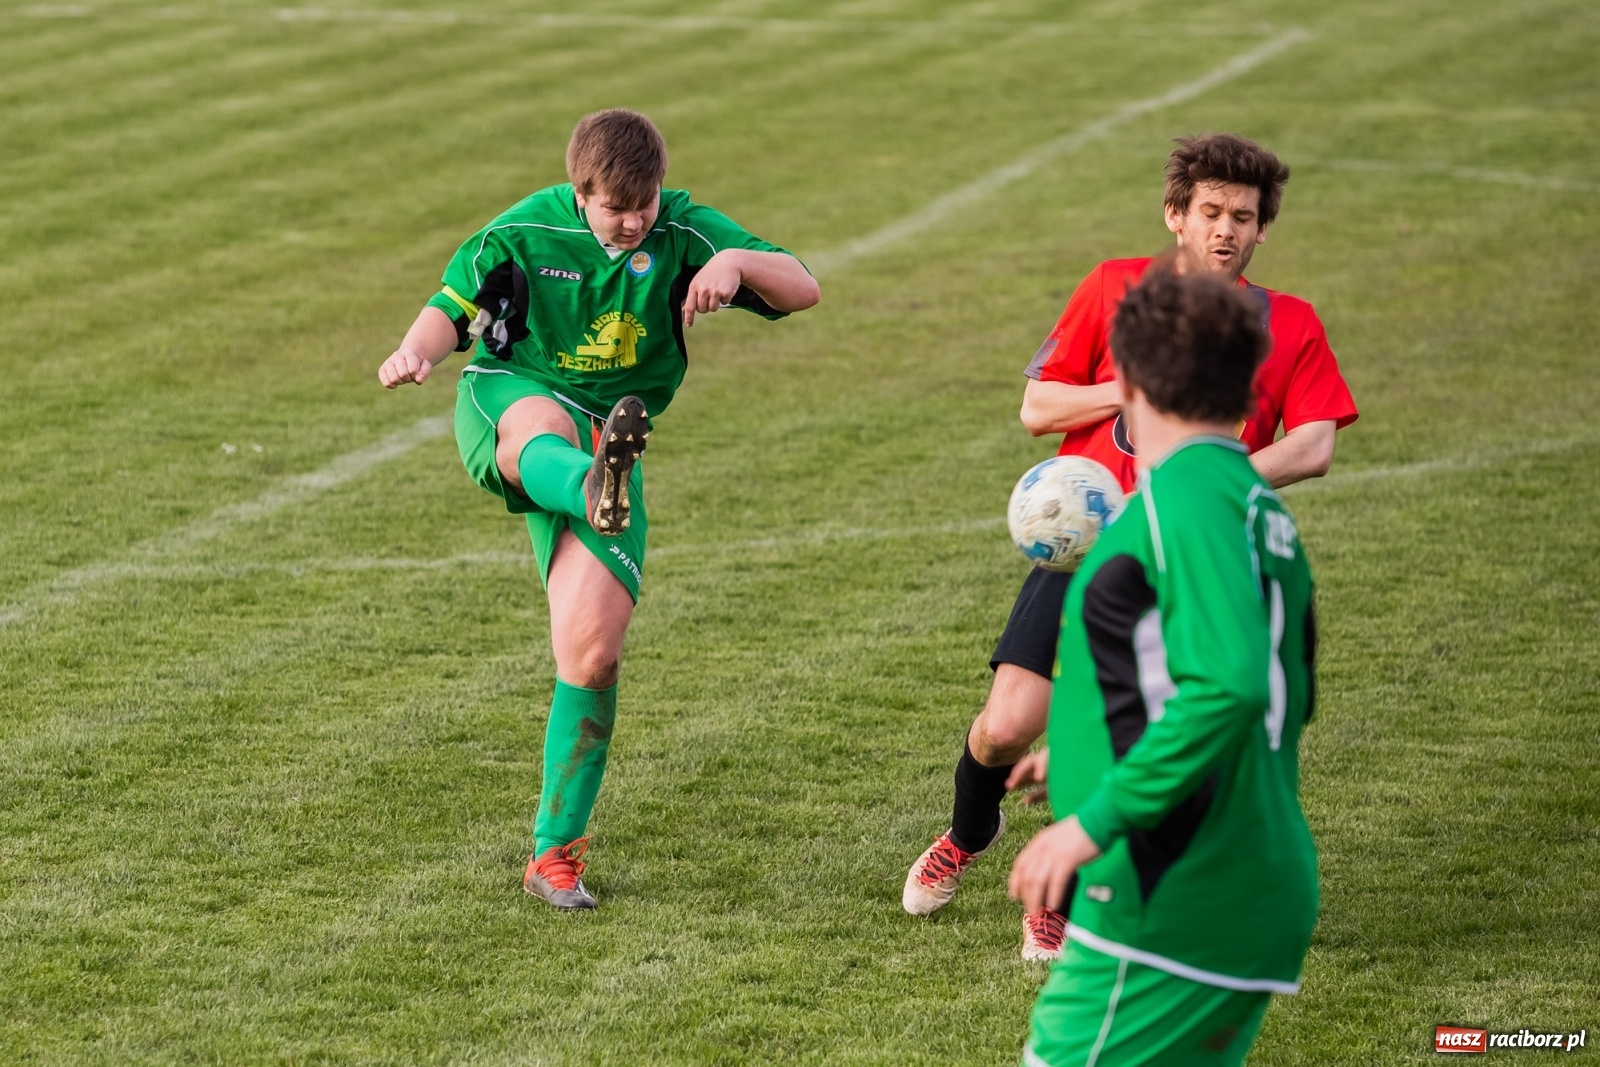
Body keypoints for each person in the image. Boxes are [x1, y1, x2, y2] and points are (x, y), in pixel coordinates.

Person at [902, 134, 1356, 961]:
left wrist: (1198, 484)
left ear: (1263, 229)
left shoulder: (1288, 321)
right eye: (1210, 211)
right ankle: (969, 832)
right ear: (1175, 214)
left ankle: (1060, 899)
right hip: (1087, 548)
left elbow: (1315, 442)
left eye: (1243, 217)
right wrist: (1132, 386)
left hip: (1193, 557)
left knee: (1119, 730)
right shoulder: (1116, 288)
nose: (1225, 230)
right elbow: (1039, 409)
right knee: (1005, 727)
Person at [378, 109, 818, 910]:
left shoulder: (683, 230)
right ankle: (588, 482)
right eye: (617, 208)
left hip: (611, 434)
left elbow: (803, 287)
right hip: (512, 396)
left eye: (644, 203)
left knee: (592, 656)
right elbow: (452, 307)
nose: (635, 220)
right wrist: (416, 350)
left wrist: (738, 263)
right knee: (536, 428)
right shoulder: (524, 233)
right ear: (580, 193)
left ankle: (554, 856)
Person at [1008, 266, 1320, 1066]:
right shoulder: (1256, 506)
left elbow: (1231, 684)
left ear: (1132, 378)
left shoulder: (1181, 505)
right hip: (1237, 875)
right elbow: (1279, 691)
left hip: (1172, 885)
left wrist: (1093, 820)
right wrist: (1086, 748)